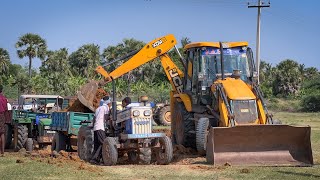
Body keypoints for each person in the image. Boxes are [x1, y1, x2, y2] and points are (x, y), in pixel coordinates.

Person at [90, 96, 110, 164]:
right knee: (103, 143)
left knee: (97, 144)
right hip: (101, 127)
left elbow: (94, 119)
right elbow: (106, 118)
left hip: (96, 128)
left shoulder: (98, 108)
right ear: (108, 102)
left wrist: (93, 127)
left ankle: (93, 159)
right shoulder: (106, 107)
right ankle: (95, 159)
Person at [0, 85, 8, 157]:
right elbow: (6, 109)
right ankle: (2, 152)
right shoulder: (4, 99)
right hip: (1, 116)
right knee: (2, 133)